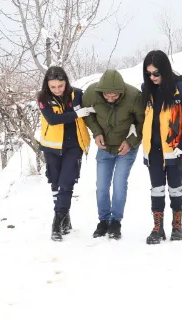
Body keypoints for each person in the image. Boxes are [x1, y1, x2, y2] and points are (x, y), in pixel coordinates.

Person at [141, 50, 182, 245]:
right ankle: (157, 227)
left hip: (175, 150)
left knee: (175, 187)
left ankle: (177, 226)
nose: (152, 77)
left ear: (165, 70)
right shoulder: (147, 89)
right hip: (153, 150)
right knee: (156, 188)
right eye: (148, 73)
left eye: (156, 73)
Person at [82, 69, 143, 239]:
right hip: (105, 147)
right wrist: (96, 133)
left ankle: (115, 222)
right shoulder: (91, 94)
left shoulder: (134, 97)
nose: (110, 98)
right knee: (101, 187)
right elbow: (86, 115)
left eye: (114, 95)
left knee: (119, 184)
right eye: (107, 95)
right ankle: (103, 221)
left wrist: (130, 142)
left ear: (121, 92)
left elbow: (143, 123)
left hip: (126, 148)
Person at [37, 66, 94, 241]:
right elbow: (53, 120)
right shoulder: (43, 98)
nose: (57, 90)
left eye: (60, 86)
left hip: (74, 145)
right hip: (52, 146)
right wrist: (76, 114)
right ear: (47, 86)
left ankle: (57, 222)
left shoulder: (77, 94)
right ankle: (66, 219)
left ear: (66, 83)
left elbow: (93, 108)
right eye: (53, 87)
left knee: (66, 183)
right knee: (55, 184)